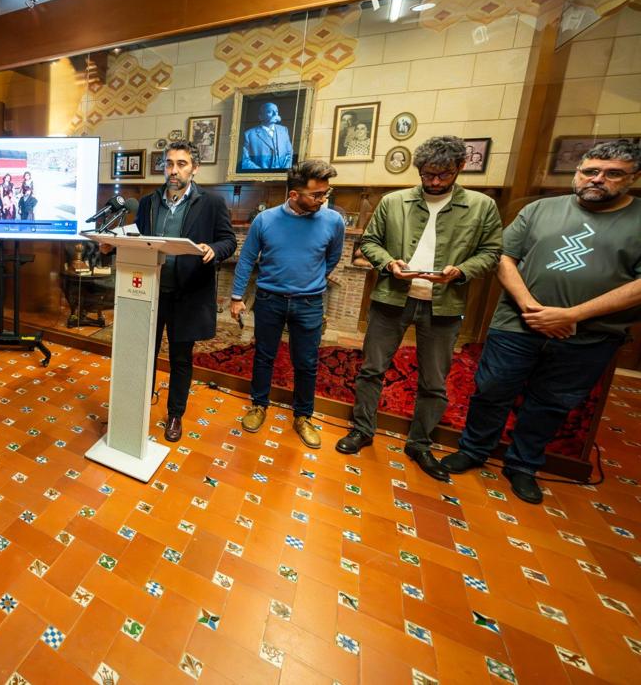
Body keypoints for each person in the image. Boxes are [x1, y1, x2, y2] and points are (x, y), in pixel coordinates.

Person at [440, 139, 641, 502]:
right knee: (492, 389)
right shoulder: (540, 210)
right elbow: (504, 256)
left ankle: (523, 466)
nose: (597, 180)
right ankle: (472, 450)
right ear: (577, 172)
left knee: (551, 401)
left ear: (632, 178)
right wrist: (532, 307)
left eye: (612, 175)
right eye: (590, 171)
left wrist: (572, 315)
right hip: (518, 323)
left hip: (588, 334)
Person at [336, 136, 503, 481]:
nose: (435, 181)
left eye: (443, 175)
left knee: (434, 380)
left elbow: (490, 252)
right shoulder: (393, 201)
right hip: (391, 298)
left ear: (459, 168)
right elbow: (369, 241)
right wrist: (388, 264)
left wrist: (462, 272)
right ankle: (362, 430)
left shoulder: (482, 206)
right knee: (371, 369)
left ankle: (420, 443)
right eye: (428, 174)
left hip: (444, 304)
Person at [229, 160, 345, 448]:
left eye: (325, 194)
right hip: (269, 300)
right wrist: (236, 297)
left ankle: (303, 416)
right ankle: (258, 405)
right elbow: (246, 259)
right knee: (263, 356)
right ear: (293, 195)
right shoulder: (265, 220)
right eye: (316, 195)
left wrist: (310, 279)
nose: (323, 200)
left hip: (309, 303)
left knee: (306, 362)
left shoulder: (333, 221)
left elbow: (332, 258)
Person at [126, 140, 236, 442]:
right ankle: (139, 405)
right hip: (150, 291)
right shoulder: (149, 202)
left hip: (187, 294)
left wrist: (213, 249)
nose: (174, 170)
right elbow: (137, 239)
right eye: (170, 164)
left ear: (195, 168)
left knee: (180, 358)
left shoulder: (211, 203)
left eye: (181, 164)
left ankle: (175, 414)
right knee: (143, 353)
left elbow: (229, 240)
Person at [240, 101, 294, 170]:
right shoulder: (249, 134)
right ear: (260, 117)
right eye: (269, 112)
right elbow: (245, 161)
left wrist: (283, 171)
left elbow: (289, 153)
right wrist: (264, 174)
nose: (275, 114)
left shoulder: (284, 130)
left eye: (276, 111)